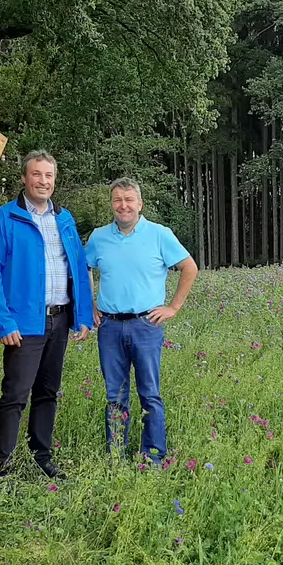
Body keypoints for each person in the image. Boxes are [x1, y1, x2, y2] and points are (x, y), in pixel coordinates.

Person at [0, 151, 94, 479]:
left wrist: (82, 315)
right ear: (24, 178)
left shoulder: (65, 219)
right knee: (16, 394)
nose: (43, 181)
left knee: (48, 391)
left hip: (59, 318)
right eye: (36, 175)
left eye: (48, 176)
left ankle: (42, 456)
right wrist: (4, 321)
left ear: (54, 180)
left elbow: (78, 268)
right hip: (24, 323)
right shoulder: (5, 218)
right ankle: (1, 465)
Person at [83, 177, 198, 464]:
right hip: (108, 326)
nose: (123, 205)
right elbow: (84, 267)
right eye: (118, 200)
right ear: (111, 204)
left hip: (145, 325)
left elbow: (189, 267)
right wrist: (91, 305)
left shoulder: (160, 234)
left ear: (140, 203)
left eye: (129, 199)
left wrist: (173, 306)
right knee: (114, 395)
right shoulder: (98, 237)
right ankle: (117, 456)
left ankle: (154, 457)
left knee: (150, 394)